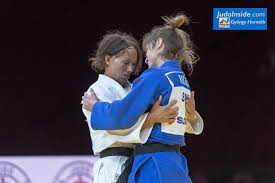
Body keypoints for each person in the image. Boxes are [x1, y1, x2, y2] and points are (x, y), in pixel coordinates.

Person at [82, 13, 204, 183]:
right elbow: (115, 127)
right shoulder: (94, 92)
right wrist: (152, 118)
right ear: (108, 59)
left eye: (135, 63)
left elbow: (125, 114)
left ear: (159, 44)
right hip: (118, 164)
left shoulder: (153, 77)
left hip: (151, 161)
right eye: (126, 63)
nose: (132, 69)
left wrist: (97, 108)